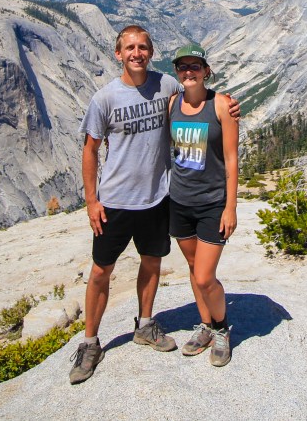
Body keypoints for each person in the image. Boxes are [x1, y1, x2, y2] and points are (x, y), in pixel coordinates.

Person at [69, 26, 238, 384]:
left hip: (157, 200)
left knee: (151, 263)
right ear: (118, 54)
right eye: (129, 47)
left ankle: (145, 324)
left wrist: (228, 102)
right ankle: (89, 342)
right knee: (101, 272)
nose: (136, 53)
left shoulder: (167, 86)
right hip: (114, 201)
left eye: (143, 47)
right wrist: (91, 200)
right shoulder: (104, 99)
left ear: (150, 52)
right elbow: (90, 149)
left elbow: (201, 95)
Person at [168, 42, 238, 367]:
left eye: (195, 66)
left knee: (205, 276)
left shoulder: (222, 105)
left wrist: (231, 207)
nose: (189, 71)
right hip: (180, 202)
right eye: (183, 66)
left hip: (212, 204)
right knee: (194, 272)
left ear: (206, 71)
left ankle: (222, 328)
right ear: (177, 72)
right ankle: (206, 325)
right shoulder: (171, 104)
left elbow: (231, 159)